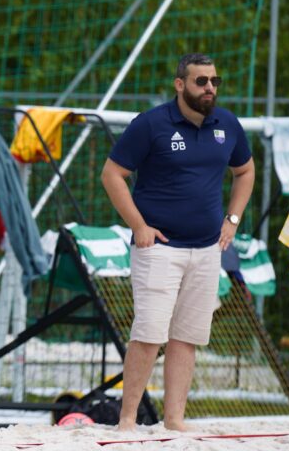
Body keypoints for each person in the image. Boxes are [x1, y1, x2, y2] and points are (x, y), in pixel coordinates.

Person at [101, 53, 254, 431]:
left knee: (187, 337)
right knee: (149, 333)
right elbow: (112, 174)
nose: (209, 88)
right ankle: (127, 421)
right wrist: (139, 225)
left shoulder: (227, 124)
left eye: (214, 81)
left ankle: (175, 421)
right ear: (180, 84)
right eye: (201, 81)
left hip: (206, 249)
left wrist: (233, 219)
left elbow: (246, 170)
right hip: (159, 248)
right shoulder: (152, 124)